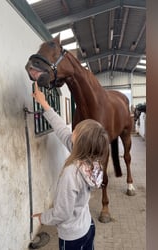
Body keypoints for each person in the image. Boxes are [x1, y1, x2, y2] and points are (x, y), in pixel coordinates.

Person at [31, 81, 109, 250]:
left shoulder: (71, 173)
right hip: (87, 226)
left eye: (76, 130)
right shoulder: (92, 161)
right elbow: (61, 130)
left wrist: (42, 218)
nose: (71, 130)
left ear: (79, 142)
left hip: (72, 238)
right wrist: (44, 104)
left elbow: (61, 213)